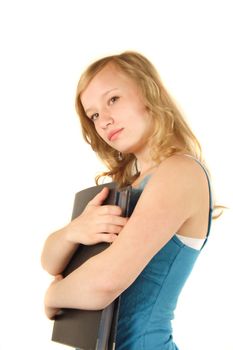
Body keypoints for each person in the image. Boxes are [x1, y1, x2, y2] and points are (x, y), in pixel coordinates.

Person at [41, 51, 219, 349]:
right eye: (94, 115)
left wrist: (52, 296)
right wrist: (75, 231)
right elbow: (50, 261)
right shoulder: (126, 185)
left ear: (149, 91)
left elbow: (105, 282)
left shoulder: (180, 172)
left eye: (113, 99)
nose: (104, 120)